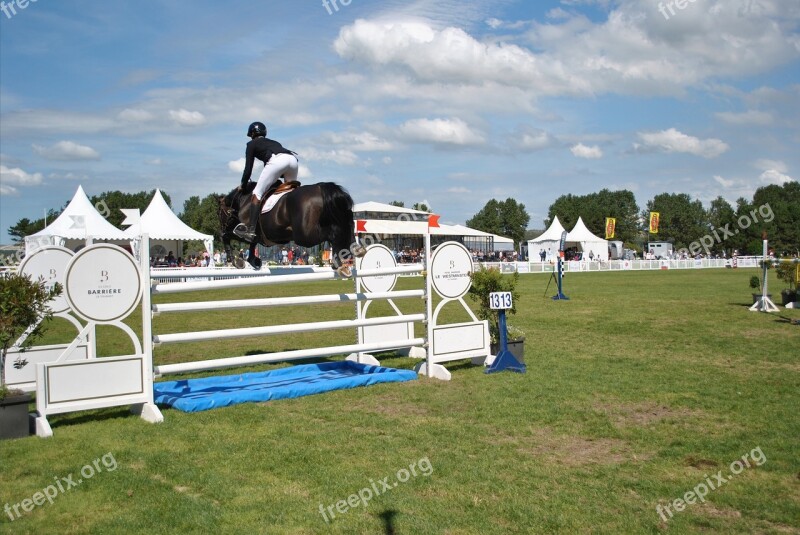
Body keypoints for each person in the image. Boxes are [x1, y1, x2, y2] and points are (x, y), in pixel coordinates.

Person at [234, 121, 299, 241]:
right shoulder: (274, 142)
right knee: (290, 194)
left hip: (277, 161)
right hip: (292, 160)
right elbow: (272, 170)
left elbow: (248, 170)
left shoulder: (251, 144)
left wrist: (243, 184)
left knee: (256, 194)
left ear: (252, 134)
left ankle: (251, 231)